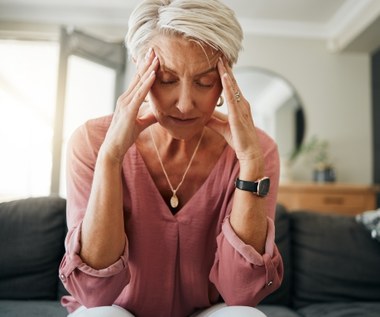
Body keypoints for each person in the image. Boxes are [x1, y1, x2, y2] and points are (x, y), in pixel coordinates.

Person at [58, 0, 283, 316]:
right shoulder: (91, 142)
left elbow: (241, 292)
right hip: (119, 310)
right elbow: (95, 293)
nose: (186, 104)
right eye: (166, 79)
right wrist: (111, 158)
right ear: (139, 67)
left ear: (226, 75)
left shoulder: (258, 149)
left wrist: (249, 160)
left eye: (205, 81)